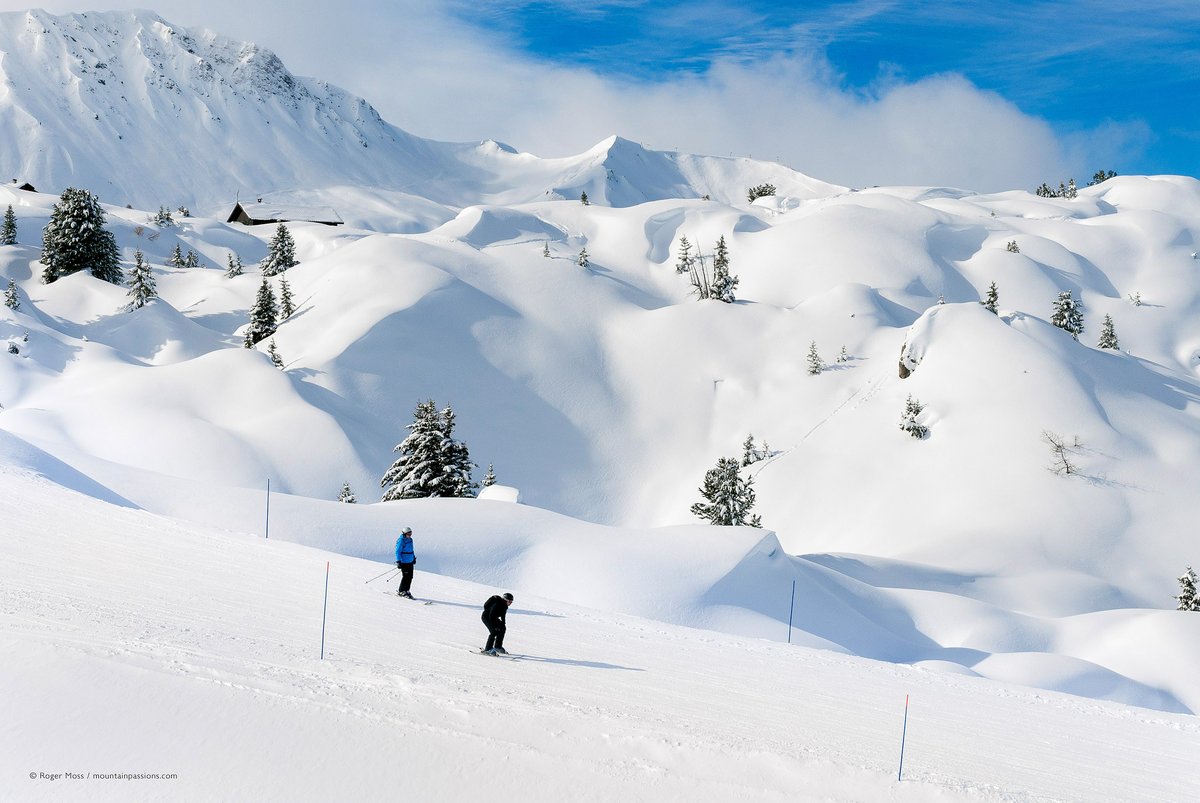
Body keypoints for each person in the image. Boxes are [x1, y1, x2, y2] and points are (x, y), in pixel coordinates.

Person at [394, 526, 416, 599]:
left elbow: (411, 550)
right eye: (408, 534)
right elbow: (397, 551)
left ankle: (406, 590)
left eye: (411, 534)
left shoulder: (410, 540)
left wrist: (413, 558)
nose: (410, 535)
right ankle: (401, 591)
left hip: (410, 561)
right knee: (405, 577)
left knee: (410, 577)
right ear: (404, 533)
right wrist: (398, 561)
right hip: (404, 562)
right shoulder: (401, 540)